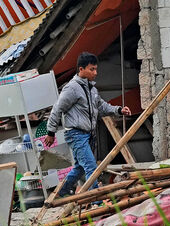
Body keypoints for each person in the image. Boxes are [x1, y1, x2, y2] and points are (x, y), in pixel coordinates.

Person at [42, 52, 131, 196]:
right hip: (76, 134)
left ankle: (60, 193)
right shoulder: (72, 88)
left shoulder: (92, 89)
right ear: (81, 69)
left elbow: (102, 107)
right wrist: (50, 132)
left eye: (96, 69)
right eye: (92, 69)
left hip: (89, 135)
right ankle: (96, 199)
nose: (95, 72)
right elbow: (57, 109)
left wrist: (119, 110)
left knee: (80, 168)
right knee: (91, 166)